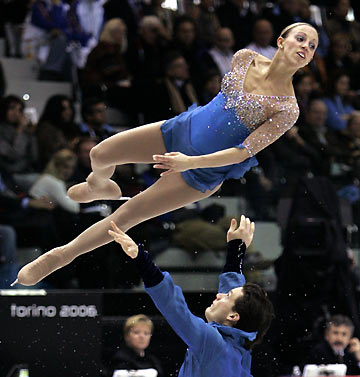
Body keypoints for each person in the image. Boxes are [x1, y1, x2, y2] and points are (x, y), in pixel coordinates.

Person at [14, 22, 319, 286]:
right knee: (100, 153)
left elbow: (241, 153)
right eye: (301, 38)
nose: (306, 46)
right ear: (281, 41)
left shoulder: (287, 109)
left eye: (313, 45)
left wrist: (189, 163)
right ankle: (99, 185)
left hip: (200, 171)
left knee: (126, 215)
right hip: (180, 130)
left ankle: (62, 255)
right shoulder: (245, 58)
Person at [108, 215, 274, 377]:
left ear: (233, 316)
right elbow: (234, 288)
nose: (218, 295)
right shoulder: (241, 345)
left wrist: (141, 259)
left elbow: (175, 308)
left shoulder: (212, 343)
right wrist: (236, 247)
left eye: (227, 296)